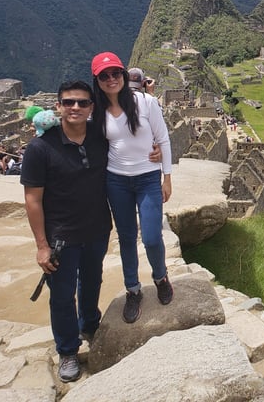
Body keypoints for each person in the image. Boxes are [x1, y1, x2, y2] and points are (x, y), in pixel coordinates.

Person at [20, 80, 111, 382]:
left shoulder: (100, 139)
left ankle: (90, 325)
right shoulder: (40, 148)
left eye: (82, 103)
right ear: (58, 106)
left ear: (91, 108)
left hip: (97, 228)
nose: (75, 108)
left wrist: (153, 153)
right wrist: (42, 245)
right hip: (61, 237)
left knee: (92, 281)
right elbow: (32, 200)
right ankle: (68, 349)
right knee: (61, 295)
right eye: (69, 102)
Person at [91, 52, 173, 324]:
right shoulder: (96, 111)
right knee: (126, 237)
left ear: (124, 76)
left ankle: (160, 276)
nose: (111, 79)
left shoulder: (145, 102)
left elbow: (163, 139)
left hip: (148, 178)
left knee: (151, 237)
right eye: (104, 76)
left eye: (116, 73)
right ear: (98, 80)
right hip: (116, 180)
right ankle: (133, 289)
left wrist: (167, 176)